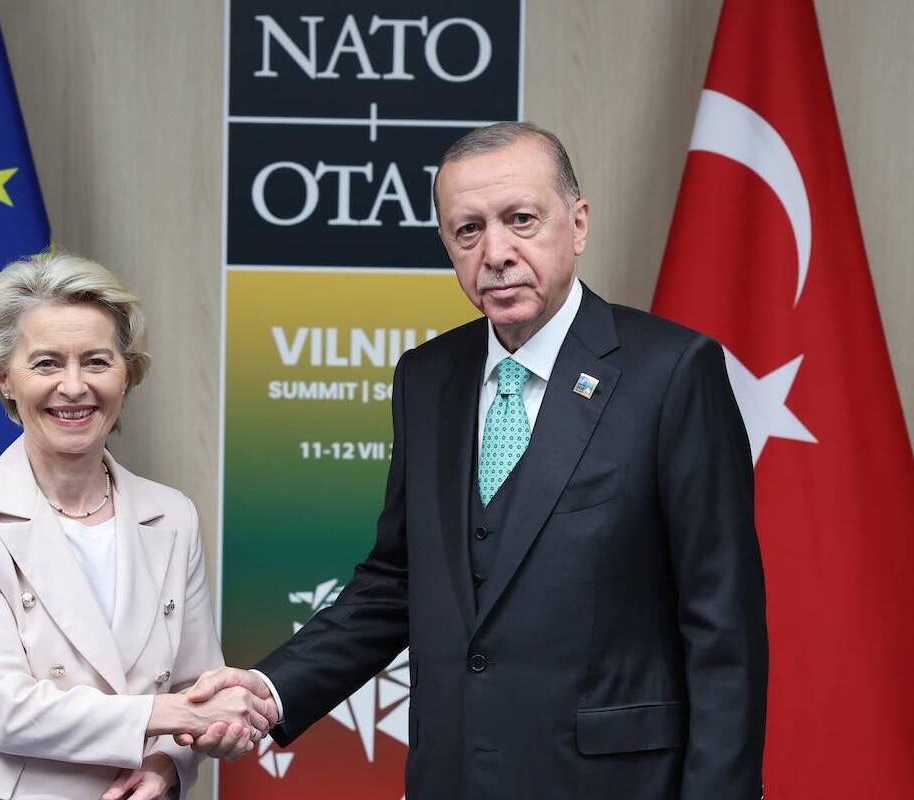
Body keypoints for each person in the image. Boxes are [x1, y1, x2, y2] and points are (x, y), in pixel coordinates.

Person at [180, 123, 768, 798]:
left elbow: (723, 629)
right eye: (468, 231)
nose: (496, 252)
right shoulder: (428, 378)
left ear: (577, 224)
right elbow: (396, 582)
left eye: (521, 220)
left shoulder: (672, 372)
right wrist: (268, 690)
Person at [0, 252, 275, 800]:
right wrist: (175, 714)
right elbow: (2, 709)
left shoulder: (172, 515)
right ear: (3, 379)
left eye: (97, 361)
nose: (75, 386)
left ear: (127, 375)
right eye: (46, 364)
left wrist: (168, 763)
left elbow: (193, 689)